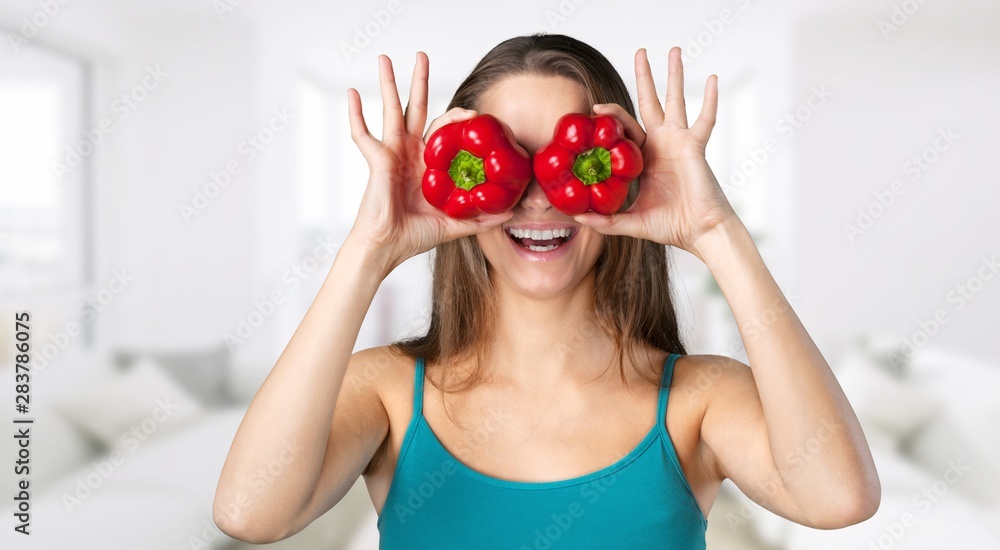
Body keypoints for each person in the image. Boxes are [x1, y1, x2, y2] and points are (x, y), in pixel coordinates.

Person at [213, 33, 880, 548]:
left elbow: (837, 498)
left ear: (627, 174)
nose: (536, 199)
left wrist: (716, 230)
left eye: (567, 160)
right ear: (452, 182)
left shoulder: (697, 403)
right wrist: (367, 252)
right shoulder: (388, 393)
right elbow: (249, 513)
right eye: (506, 159)